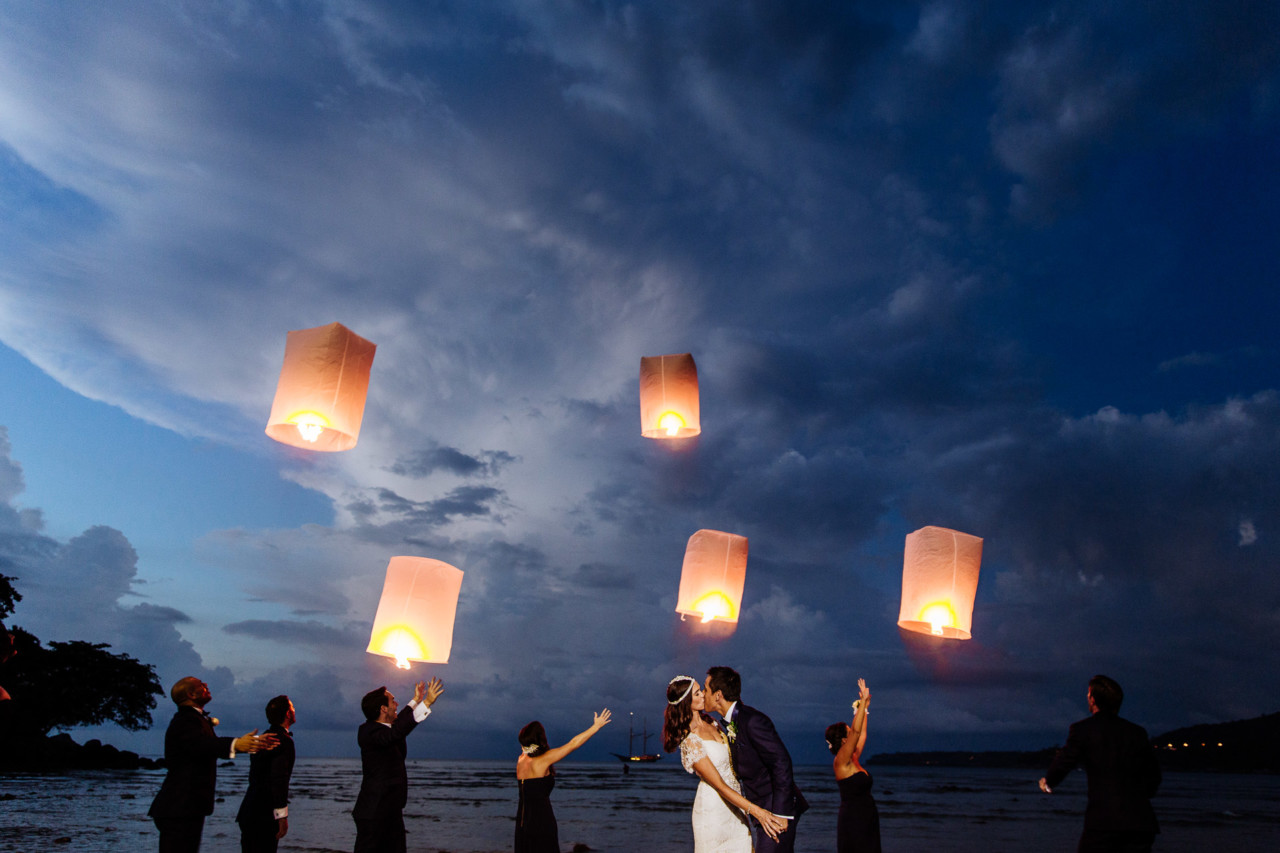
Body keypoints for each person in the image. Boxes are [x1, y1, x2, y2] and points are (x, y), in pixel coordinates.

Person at [148, 677, 279, 853]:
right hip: (179, 808)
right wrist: (236, 744)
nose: (207, 685)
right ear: (191, 694)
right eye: (201, 685)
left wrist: (251, 743)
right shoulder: (186, 720)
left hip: (185, 807)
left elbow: (209, 745)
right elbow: (203, 744)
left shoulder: (194, 719)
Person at [663, 675, 787, 851]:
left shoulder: (712, 723)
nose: (703, 695)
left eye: (701, 690)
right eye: (697, 693)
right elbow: (719, 785)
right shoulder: (690, 741)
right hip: (713, 810)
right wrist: (758, 812)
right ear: (686, 702)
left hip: (737, 804)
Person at [1039, 675, 1162, 853]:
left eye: (1088, 694)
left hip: (1104, 823)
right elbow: (1154, 775)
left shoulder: (1083, 729)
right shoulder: (1137, 732)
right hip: (1141, 823)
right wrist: (1140, 796)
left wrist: (1049, 782)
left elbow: (1066, 760)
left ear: (1093, 699)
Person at [703, 666, 808, 853]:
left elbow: (781, 762)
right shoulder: (730, 723)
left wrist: (781, 813)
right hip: (762, 810)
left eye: (705, 690)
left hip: (776, 810)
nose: (703, 694)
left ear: (718, 695)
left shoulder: (752, 720)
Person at [353, 677, 443, 853]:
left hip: (391, 812)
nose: (396, 704)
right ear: (383, 709)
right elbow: (396, 732)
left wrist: (415, 700)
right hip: (374, 813)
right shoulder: (368, 731)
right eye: (393, 701)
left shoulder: (387, 729)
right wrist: (426, 703)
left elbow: (398, 725)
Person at [515, 709, 612, 852]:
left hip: (522, 822)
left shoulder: (521, 760)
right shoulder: (543, 760)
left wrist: (525, 742)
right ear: (541, 738)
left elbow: (526, 749)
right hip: (541, 821)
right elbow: (573, 744)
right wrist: (595, 727)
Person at [236, 694, 297, 853]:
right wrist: (281, 815)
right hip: (264, 814)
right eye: (292, 707)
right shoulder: (283, 741)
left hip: (248, 810)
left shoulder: (262, 738)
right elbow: (279, 779)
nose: (294, 710)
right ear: (288, 714)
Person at [826, 678, 880, 853]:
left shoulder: (853, 756)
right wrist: (862, 702)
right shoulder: (841, 760)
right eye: (849, 733)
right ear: (844, 740)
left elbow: (861, 734)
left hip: (867, 818)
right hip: (853, 821)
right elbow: (856, 732)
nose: (852, 734)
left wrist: (864, 709)